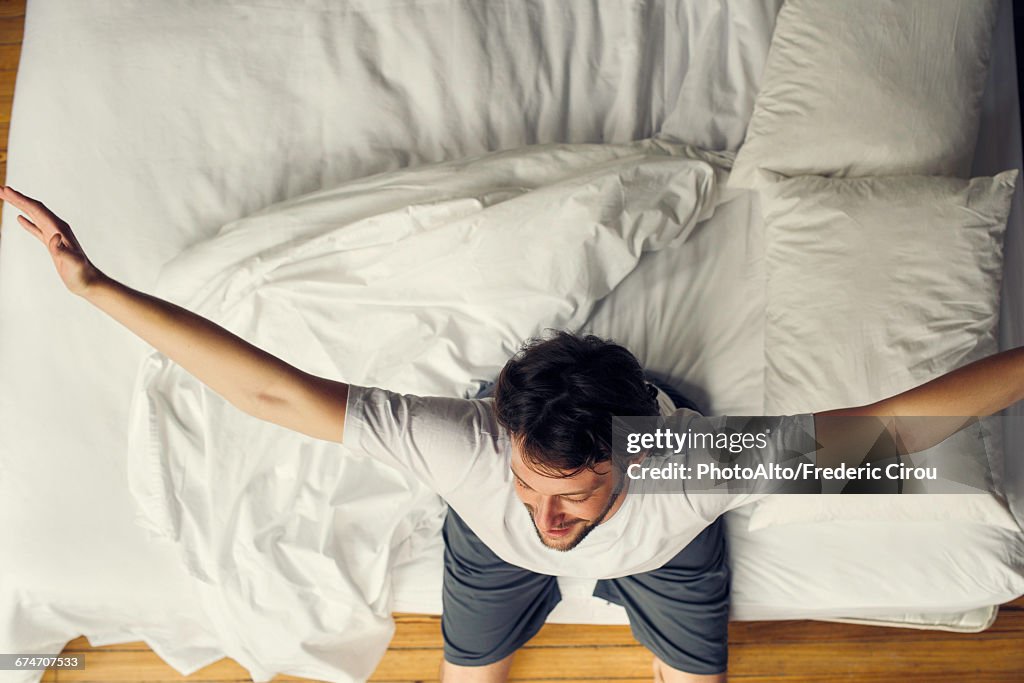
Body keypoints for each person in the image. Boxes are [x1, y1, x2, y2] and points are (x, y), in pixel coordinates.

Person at [8, 184, 1023, 683]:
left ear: (629, 456)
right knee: (469, 672)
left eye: (570, 495)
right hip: (477, 546)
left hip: (669, 548)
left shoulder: (688, 465)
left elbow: (903, 418)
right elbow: (273, 394)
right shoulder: (466, 446)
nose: (548, 513)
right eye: (534, 484)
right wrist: (94, 287)